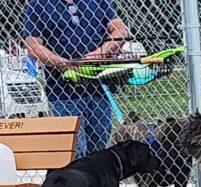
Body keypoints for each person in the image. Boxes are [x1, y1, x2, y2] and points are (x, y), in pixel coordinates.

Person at [23, 0, 130, 157]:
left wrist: (98, 54)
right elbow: (33, 47)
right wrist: (63, 63)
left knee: (99, 151)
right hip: (63, 92)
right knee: (75, 152)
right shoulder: (38, 4)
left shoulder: (98, 2)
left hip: (99, 88)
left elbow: (120, 31)